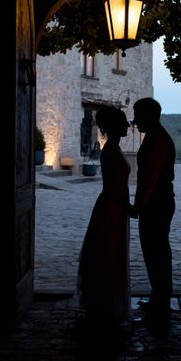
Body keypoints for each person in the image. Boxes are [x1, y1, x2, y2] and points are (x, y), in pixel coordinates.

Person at [77, 106, 133, 330]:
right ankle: (105, 306)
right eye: (123, 121)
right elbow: (112, 187)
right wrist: (128, 207)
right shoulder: (110, 151)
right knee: (108, 254)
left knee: (110, 253)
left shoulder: (113, 148)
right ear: (113, 126)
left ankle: (106, 306)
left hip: (115, 207)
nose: (128, 125)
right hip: (112, 208)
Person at [130, 97, 175, 324]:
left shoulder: (158, 141)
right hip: (155, 203)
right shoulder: (155, 137)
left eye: (138, 115)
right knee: (154, 252)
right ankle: (158, 298)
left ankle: (160, 305)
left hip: (157, 204)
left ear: (149, 115)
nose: (135, 121)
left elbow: (151, 178)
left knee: (156, 252)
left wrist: (138, 206)